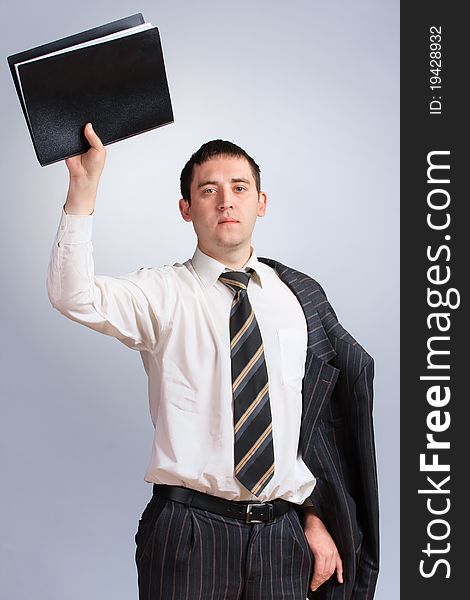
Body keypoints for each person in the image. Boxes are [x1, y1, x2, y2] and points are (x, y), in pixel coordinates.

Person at [47, 123, 379, 600]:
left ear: (260, 203)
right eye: (209, 190)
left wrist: (316, 515)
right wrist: (83, 187)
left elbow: (319, 426)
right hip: (189, 533)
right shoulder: (161, 293)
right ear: (187, 209)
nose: (227, 201)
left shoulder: (300, 298)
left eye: (240, 188)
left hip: (282, 541)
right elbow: (72, 295)